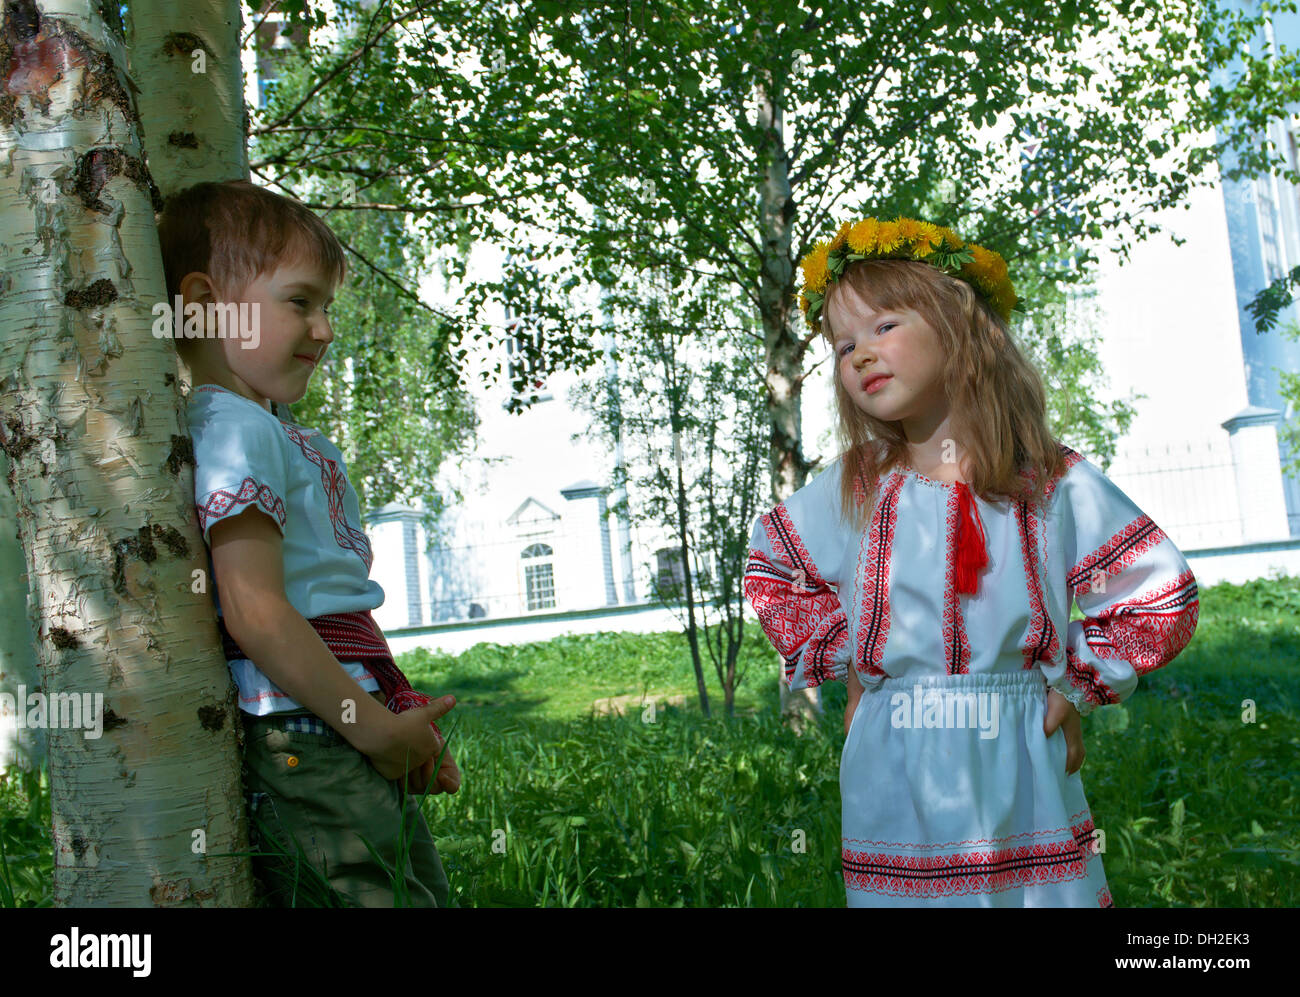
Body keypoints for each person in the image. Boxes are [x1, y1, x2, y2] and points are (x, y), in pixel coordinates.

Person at [743, 216, 1200, 907]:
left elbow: (1157, 591)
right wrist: (859, 661)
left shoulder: (1050, 481)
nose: (861, 353)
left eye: (884, 326)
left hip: (1016, 753)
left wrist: (1073, 681)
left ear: (959, 327)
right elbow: (775, 565)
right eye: (843, 344)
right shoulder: (855, 488)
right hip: (896, 761)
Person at [155, 179, 461, 907]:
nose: (324, 330)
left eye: (326, 307)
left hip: (331, 722)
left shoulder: (262, 428)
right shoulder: (236, 428)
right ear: (201, 304)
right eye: (300, 302)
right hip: (311, 730)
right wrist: (373, 729)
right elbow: (254, 609)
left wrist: (384, 722)